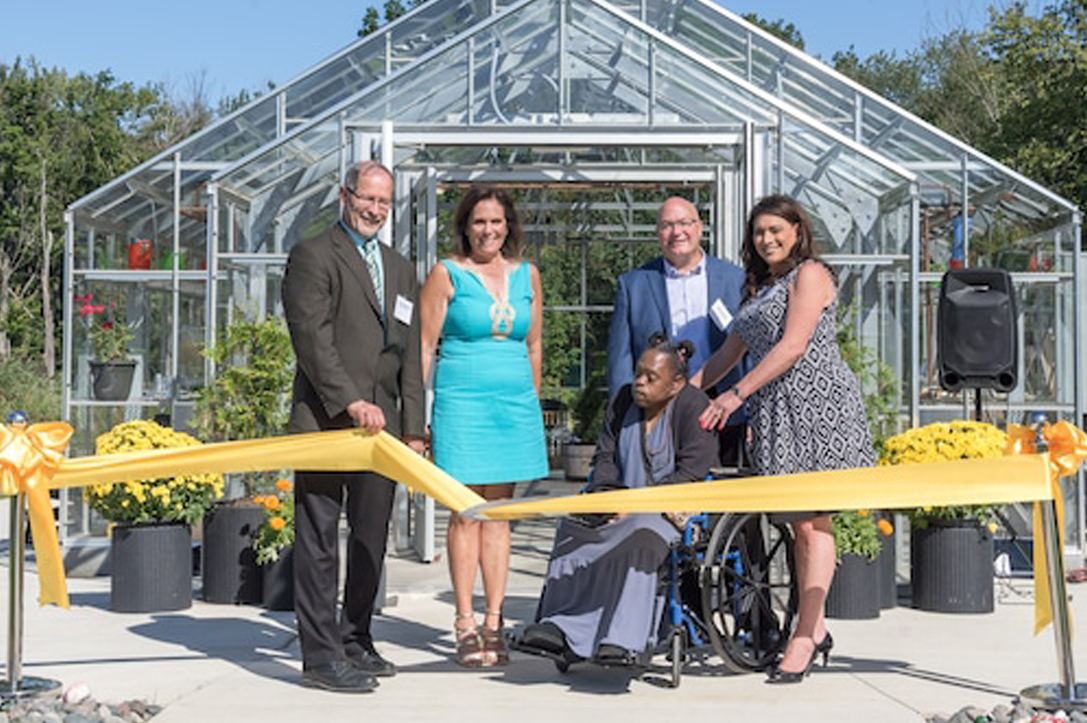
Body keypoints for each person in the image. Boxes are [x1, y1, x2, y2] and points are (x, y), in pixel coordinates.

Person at [695, 194, 876, 684]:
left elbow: (793, 345)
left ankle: (804, 633)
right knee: (799, 525)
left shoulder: (810, 275)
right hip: (777, 412)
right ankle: (811, 628)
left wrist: (735, 396)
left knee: (814, 524)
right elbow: (730, 351)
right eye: (759, 232)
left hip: (819, 407)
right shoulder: (758, 288)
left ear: (798, 230)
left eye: (776, 229)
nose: (767, 239)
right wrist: (685, 394)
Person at [282, 160, 426, 693]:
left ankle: (355, 639)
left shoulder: (402, 267)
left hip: (383, 432)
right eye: (367, 198)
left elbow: (409, 355)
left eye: (384, 202)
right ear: (345, 195)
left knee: (370, 539)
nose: (375, 210)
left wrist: (413, 428)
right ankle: (320, 658)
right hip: (324, 422)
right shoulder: (313, 255)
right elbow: (312, 342)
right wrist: (350, 403)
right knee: (319, 540)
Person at [516, 335, 718, 665]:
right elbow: (605, 459)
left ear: (676, 383)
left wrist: (638, 504)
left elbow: (693, 471)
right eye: (639, 373)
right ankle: (559, 627)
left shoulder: (693, 405)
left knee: (641, 531)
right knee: (571, 527)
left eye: (651, 378)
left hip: (669, 511)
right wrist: (609, 500)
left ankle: (623, 640)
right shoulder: (623, 401)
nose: (639, 382)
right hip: (618, 505)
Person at [419, 185, 548, 667]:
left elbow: (534, 345)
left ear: (508, 226)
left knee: (499, 514)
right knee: (464, 513)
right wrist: (422, 417)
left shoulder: (527, 275)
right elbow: (425, 346)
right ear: (465, 226)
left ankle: (496, 622)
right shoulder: (446, 273)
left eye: (496, 222)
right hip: (461, 406)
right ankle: (465, 622)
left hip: (511, 408)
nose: (488, 230)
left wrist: (529, 404)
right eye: (479, 222)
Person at [607, 197, 746, 464]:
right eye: (667, 225)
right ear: (658, 233)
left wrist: (751, 409)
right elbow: (620, 359)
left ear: (699, 227)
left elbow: (751, 350)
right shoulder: (633, 284)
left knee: (723, 492)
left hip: (724, 404)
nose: (677, 232)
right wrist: (622, 418)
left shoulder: (734, 279)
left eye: (684, 223)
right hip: (660, 409)